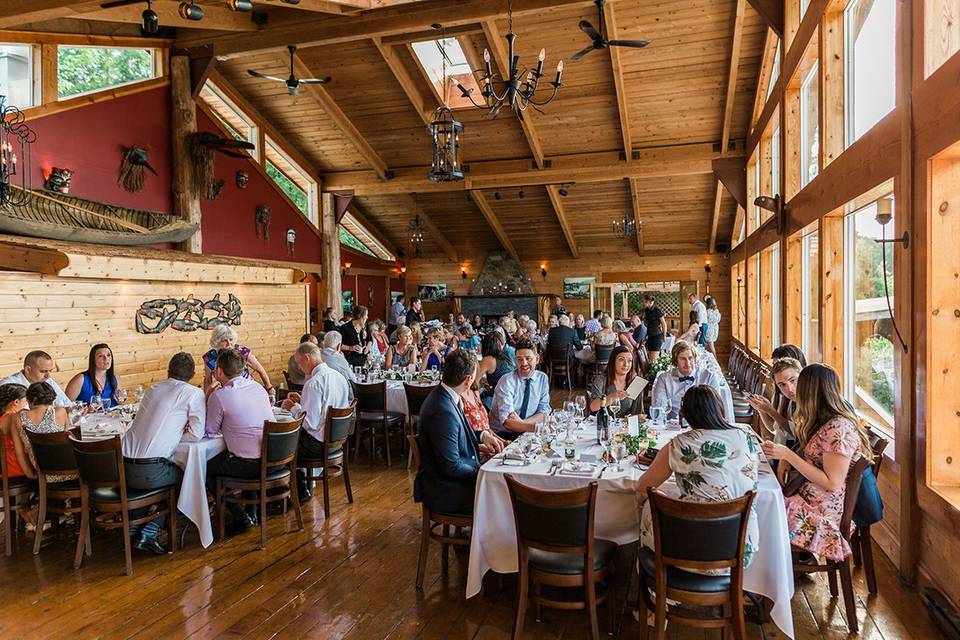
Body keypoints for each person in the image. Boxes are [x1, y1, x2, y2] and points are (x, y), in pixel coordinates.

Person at [635, 385, 760, 571]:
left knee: (648, 502)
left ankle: (654, 577)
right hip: (739, 549)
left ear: (687, 414)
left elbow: (643, 486)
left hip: (687, 551)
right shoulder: (745, 437)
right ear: (719, 408)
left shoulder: (679, 445)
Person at [762, 364, 872, 562]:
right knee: (760, 503)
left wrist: (789, 456)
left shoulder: (839, 429)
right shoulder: (825, 421)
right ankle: (774, 575)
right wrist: (790, 457)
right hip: (808, 499)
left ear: (811, 392)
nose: (794, 392)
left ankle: (772, 577)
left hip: (822, 513)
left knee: (758, 514)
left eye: (799, 387)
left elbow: (832, 482)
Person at [122, 353, 205, 554]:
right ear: (193, 374)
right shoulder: (193, 393)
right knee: (189, 481)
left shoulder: (153, 389)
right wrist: (177, 434)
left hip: (122, 467)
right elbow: (196, 434)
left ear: (168, 371)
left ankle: (134, 529)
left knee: (167, 474)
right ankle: (149, 532)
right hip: (149, 471)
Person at [413, 350, 504, 516]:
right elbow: (452, 466)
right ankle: (485, 539)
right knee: (507, 496)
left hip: (449, 482)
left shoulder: (446, 395)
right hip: (445, 490)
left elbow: (453, 436)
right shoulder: (443, 410)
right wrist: (484, 471)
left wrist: (482, 435)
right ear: (468, 380)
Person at [204, 348, 276, 533]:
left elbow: (209, 431)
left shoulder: (219, 396)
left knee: (204, 468)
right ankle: (250, 512)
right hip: (274, 460)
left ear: (218, 371)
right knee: (243, 452)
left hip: (250, 465)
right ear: (243, 368)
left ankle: (240, 515)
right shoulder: (258, 388)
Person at [281, 342, 351, 500]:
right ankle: (299, 484)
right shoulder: (339, 377)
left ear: (307, 358)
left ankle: (298, 489)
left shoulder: (313, 383)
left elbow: (310, 423)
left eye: (299, 363)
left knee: (279, 448)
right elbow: (325, 409)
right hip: (337, 442)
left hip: (318, 445)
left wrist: (292, 407)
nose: (299, 367)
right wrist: (303, 401)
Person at [13, 382, 73, 484]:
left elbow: (19, 451)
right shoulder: (60, 412)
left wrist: (29, 474)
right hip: (70, 472)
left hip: (42, 474)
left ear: (29, 399)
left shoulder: (18, 417)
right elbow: (66, 442)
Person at [491, 338, 551, 440]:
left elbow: (543, 411)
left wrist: (522, 424)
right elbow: (507, 422)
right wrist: (537, 427)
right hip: (503, 435)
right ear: (515, 360)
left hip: (528, 431)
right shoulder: (507, 381)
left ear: (537, 359)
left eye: (528, 359)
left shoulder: (542, 378)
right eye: (519, 359)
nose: (523, 363)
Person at [650, 340, 725, 420]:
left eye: (690, 358)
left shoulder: (709, 377)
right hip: (673, 426)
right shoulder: (664, 379)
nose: (687, 363)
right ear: (675, 361)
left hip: (702, 424)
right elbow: (659, 409)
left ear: (695, 358)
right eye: (682, 359)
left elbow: (715, 408)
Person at [202, 325, 273, 397]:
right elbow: (208, 380)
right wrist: (207, 398)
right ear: (216, 342)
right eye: (224, 340)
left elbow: (260, 370)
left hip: (247, 389)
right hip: (226, 392)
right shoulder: (209, 357)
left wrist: (269, 388)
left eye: (231, 339)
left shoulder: (242, 352)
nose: (229, 344)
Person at [747, 357, 802, 446]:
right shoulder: (787, 400)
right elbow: (774, 429)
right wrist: (761, 409)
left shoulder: (809, 402)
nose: (789, 389)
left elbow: (797, 433)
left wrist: (771, 411)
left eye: (793, 380)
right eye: (782, 385)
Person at [1, 351, 72, 407]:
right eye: (43, 371)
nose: (48, 376)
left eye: (50, 371)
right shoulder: (8, 385)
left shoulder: (48, 381)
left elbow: (66, 404)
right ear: (28, 370)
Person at [67, 344, 123, 409]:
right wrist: (87, 409)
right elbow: (66, 406)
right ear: (93, 360)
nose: (106, 358)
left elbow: (120, 402)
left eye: (108, 355)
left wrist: (120, 402)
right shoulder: (80, 379)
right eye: (100, 356)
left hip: (112, 417)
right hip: (87, 418)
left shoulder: (114, 378)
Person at [589, 346, 638, 417]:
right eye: (621, 360)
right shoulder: (601, 380)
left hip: (627, 426)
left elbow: (638, 412)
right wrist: (612, 396)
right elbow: (593, 407)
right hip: (605, 425)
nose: (626, 364)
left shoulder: (635, 382)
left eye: (629, 360)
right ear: (613, 361)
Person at [477, 331, 515, 410]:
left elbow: (474, 382)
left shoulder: (488, 359)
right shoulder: (505, 356)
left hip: (500, 399)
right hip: (513, 396)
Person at [0, 384, 29, 480]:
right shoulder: (12, 418)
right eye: (26, 400)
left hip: (4, 467)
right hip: (14, 468)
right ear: (16, 402)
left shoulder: (3, 417)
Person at [339, 304, 371, 369]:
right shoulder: (345, 328)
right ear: (360, 316)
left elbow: (370, 340)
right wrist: (350, 348)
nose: (367, 317)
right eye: (366, 315)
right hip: (350, 360)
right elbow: (339, 345)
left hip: (364, 359)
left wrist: (367, 348)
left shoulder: (365, 326)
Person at [643, 294, 668, 363]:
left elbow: (664, 324)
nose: (644, 303)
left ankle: (655, 373)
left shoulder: (657, 310)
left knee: (654, 360)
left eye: (645, 301)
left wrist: (664, 336)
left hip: (656, 336)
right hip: (649, 335)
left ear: (650, 302)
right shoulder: (646, 310)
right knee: (650, 359)